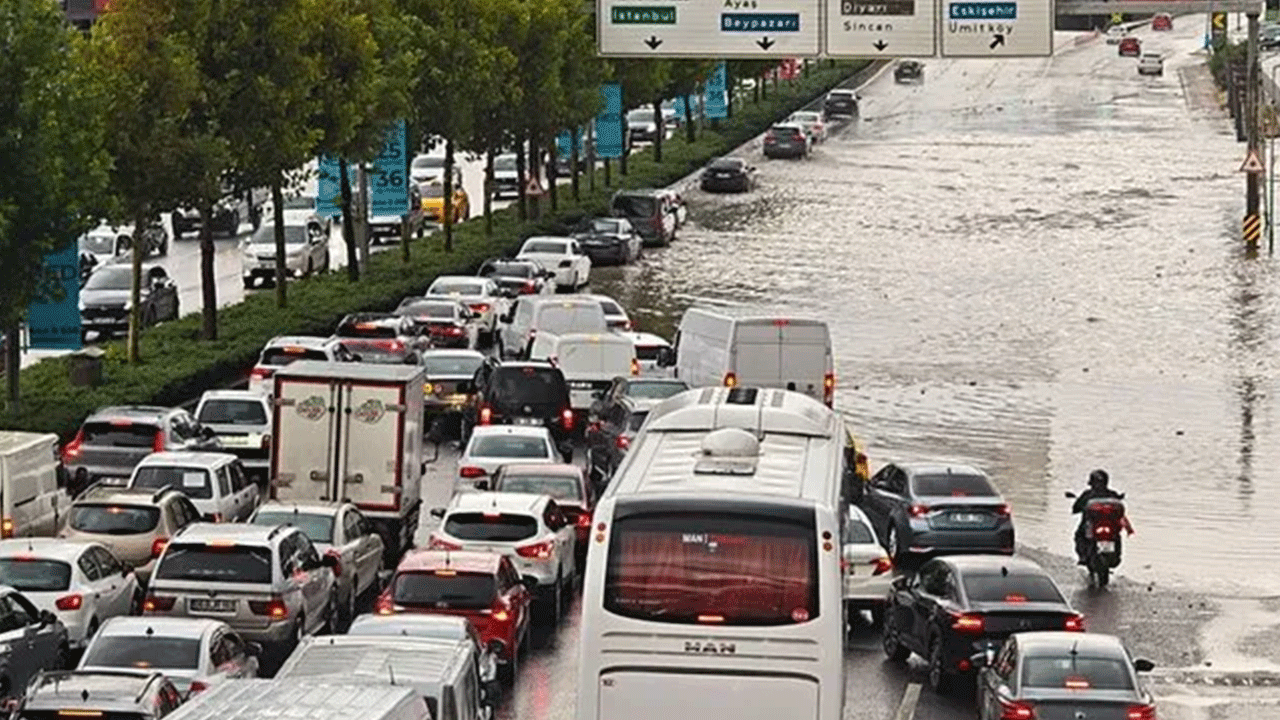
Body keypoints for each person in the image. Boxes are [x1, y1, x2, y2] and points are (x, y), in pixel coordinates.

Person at [1072, 469, 1133, 564]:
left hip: (1097, 527)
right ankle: (1111, 556)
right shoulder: (1112, 494)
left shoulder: (1087, 494)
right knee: (1082, 534)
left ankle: (1083, 557)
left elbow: (1076, 508)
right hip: (1106, 527)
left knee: (1079, 535)